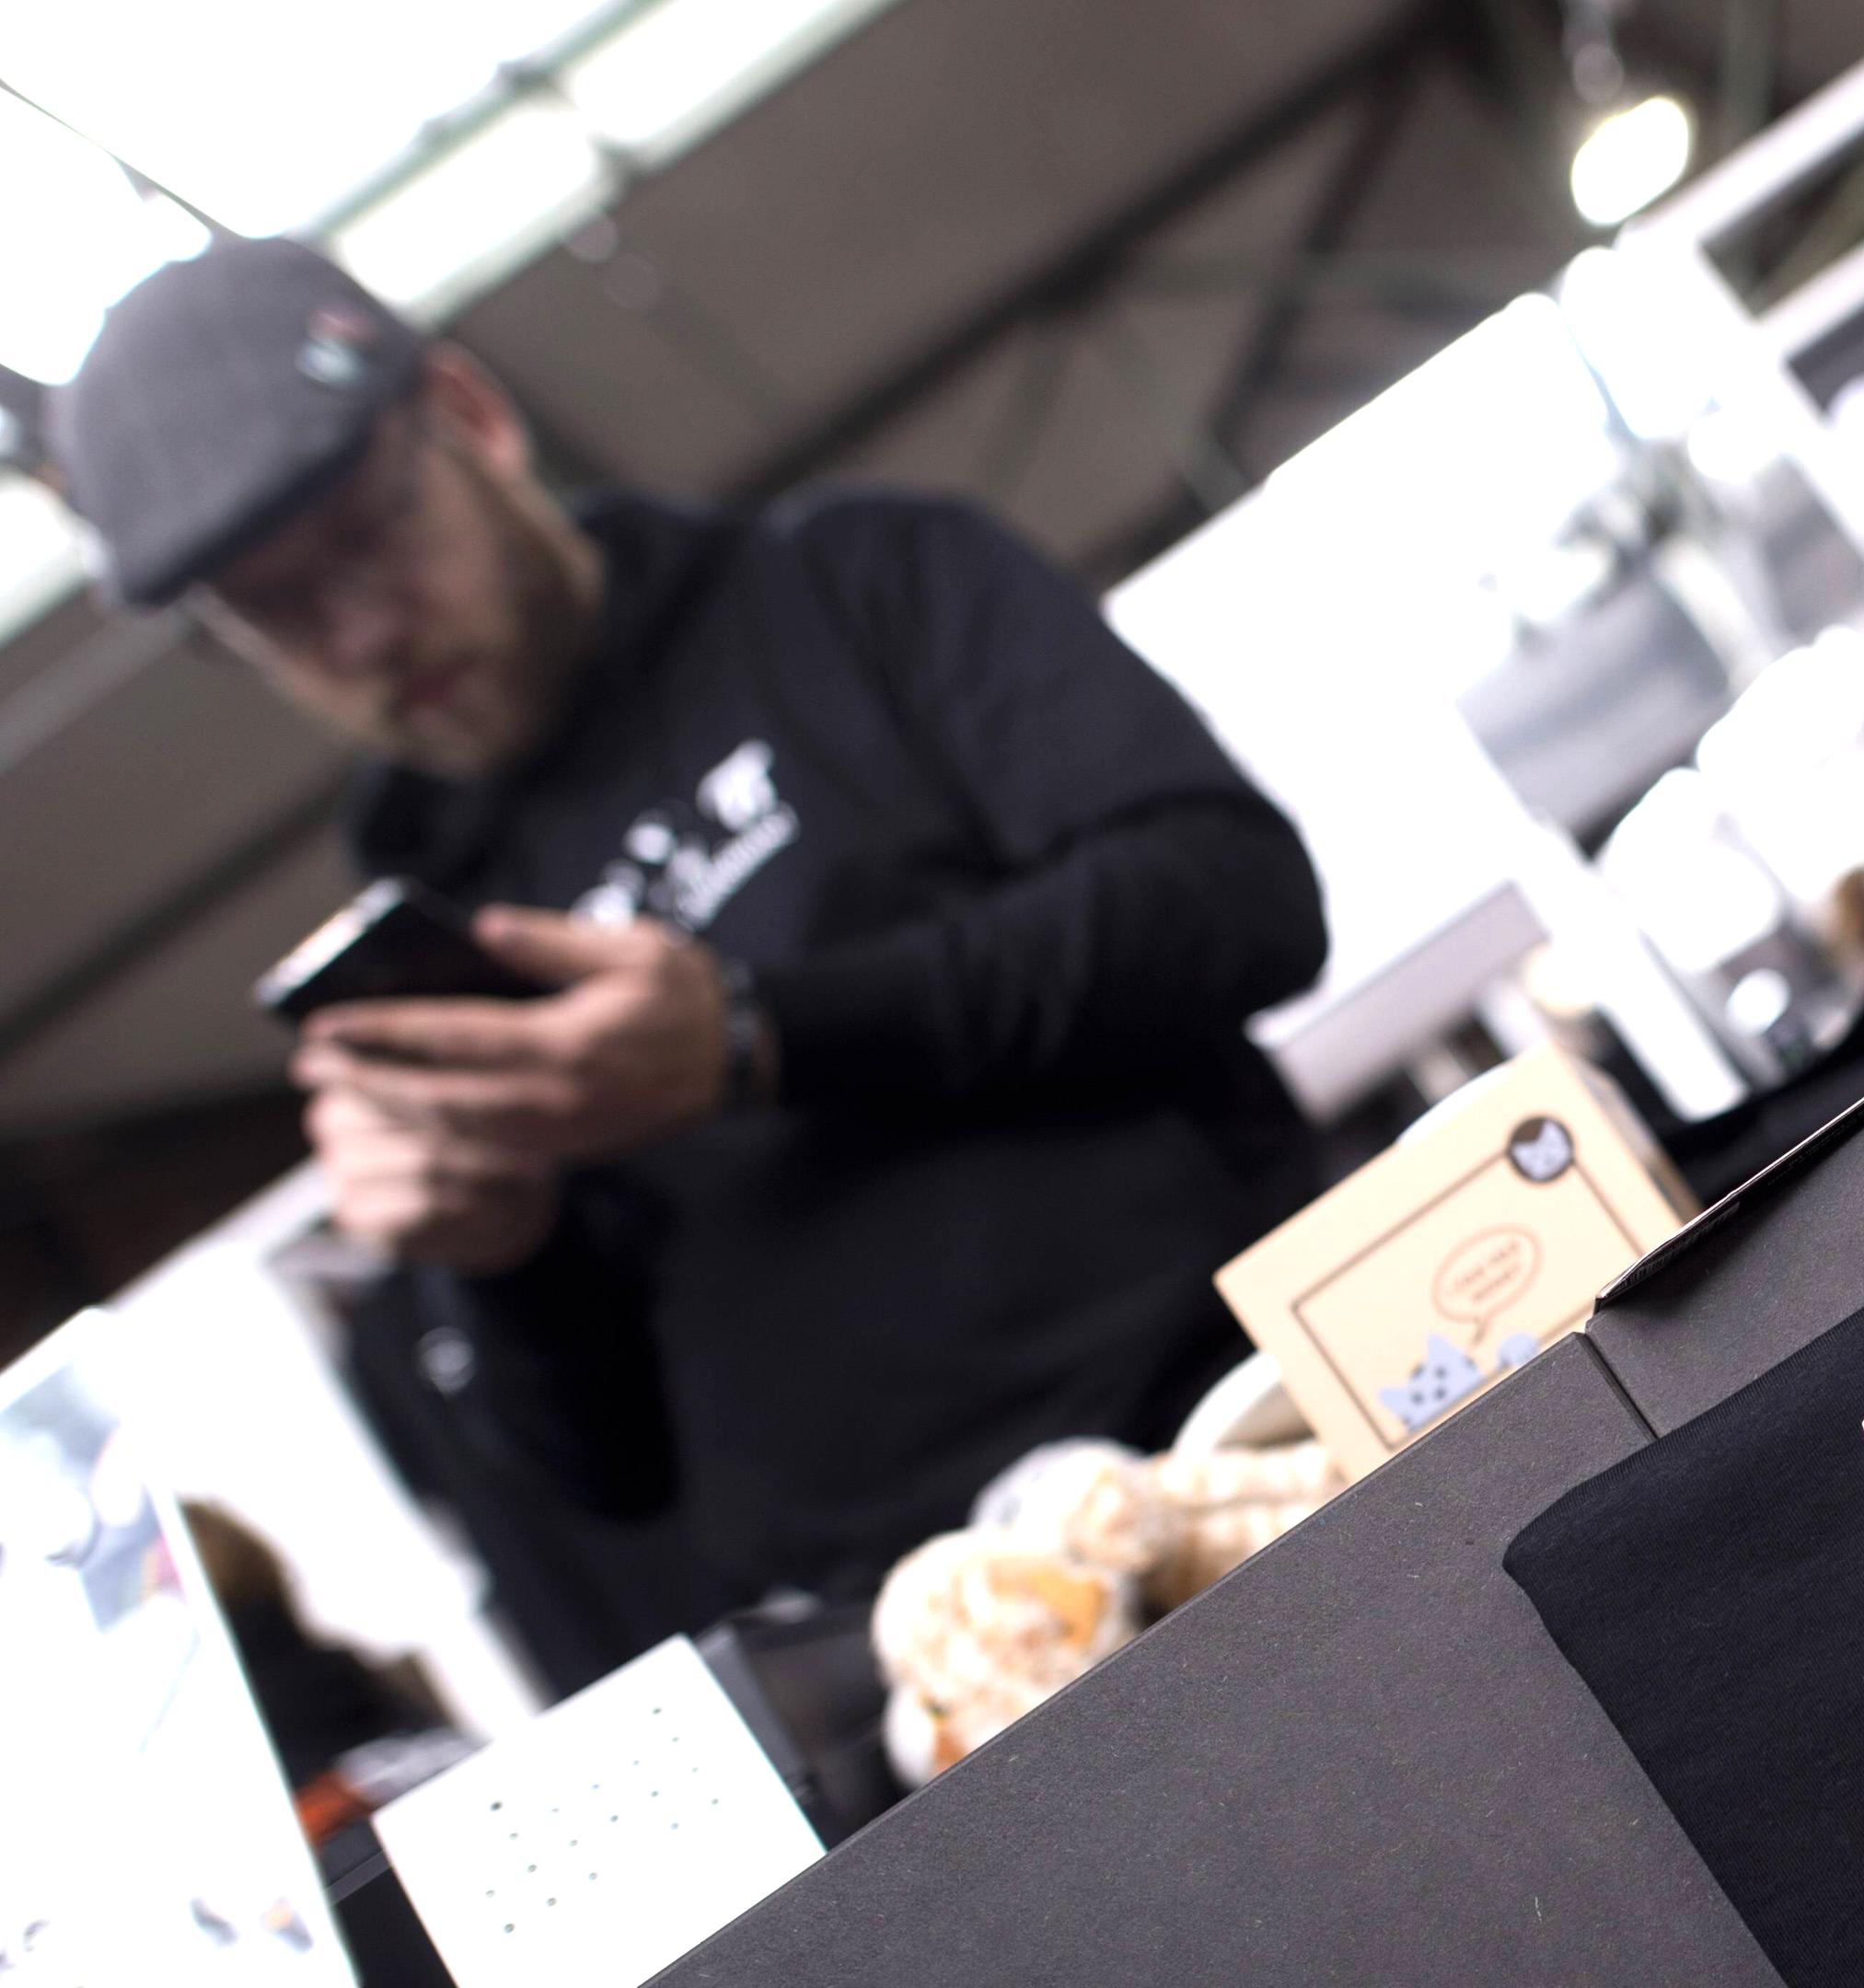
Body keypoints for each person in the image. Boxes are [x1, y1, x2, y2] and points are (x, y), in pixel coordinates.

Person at [47, 239, 1329, 1624]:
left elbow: (1236, 899)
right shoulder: (423, 929)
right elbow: (603, 1470)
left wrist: (757, 1037)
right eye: (277, 614)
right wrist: (499, 1260)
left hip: (1249, 1436)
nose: (359, 635)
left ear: (470, 414)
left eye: (366, 536)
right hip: (900, 1636)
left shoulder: (855, 584)